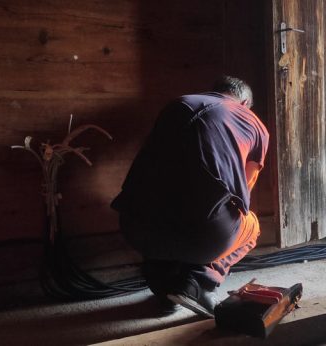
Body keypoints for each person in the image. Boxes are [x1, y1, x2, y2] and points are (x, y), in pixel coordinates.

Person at [111, 76, 269, 317]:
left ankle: (164, 290)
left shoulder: (178, 105)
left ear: (214, 92)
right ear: (245, 103)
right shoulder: (253, 123)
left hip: (136, 230)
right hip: (203, 238)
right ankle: (196, 283)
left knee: (162, 208)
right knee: (251, 225)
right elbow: (242, 194)